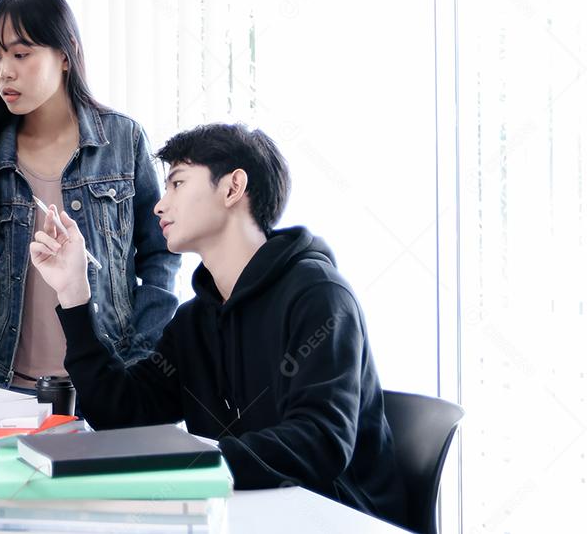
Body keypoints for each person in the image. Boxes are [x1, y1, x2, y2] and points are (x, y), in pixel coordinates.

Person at [27, 123, 407, 524]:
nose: (159, 205)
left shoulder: (320, 297)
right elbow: (122, 412)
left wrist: (192, 463)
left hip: (337, 518)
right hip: (244, 515)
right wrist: (73, 295)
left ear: (232, 188)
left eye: (177, 183)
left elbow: (320, 441)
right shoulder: (196, 320)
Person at [0, 0, 180, 392]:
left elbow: (161, 254)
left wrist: (143, 349)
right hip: (7, 388)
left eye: (20, 54)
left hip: (110, 378)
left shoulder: (122, 141)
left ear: (65, 56)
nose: (4, 71)